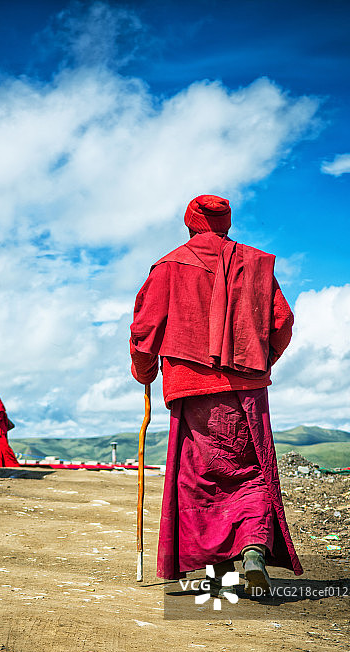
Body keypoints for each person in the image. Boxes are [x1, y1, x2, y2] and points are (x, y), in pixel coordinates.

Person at [130, 195, 303, 596]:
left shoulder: (169, 265)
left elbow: (145, 328)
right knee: (252, 469)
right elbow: (283, 320)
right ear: (226, 224)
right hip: (249, 390)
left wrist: (145, 370)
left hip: (193, 390)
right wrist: (262, 359)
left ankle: (219, 560)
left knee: (200, 475)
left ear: (190, 224)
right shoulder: (255, 263)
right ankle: (253, 547)